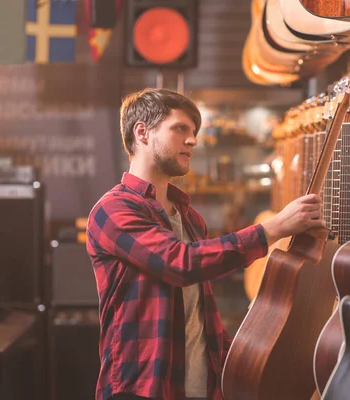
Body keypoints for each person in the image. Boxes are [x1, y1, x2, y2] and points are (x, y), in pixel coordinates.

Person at [86, 88, 324, 400]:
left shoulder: (189, 217)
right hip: (141, 387)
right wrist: (274, 228)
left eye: (194, 132)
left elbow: (201, 308)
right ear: (142, 132)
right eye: (180, 129)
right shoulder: (113, 210)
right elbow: (180, 264)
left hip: (201, 386)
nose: (193, 141)